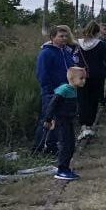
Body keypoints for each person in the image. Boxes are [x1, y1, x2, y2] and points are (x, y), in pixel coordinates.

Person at [34, 25, 80, 153]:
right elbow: (42, 74)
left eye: (66, 36)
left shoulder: (66, 52)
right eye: (61, 36)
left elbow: (71, 69)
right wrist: (49, 90)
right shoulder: (46, 53)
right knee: (47, 119)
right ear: (52, 37)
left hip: (65, 92)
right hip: (51, 92)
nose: (64, 39)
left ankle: (52, 147)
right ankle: (38, 148)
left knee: (59, 121)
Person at [46, 67, 87, 181]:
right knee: (65, 145)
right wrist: (48, 119)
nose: (84, 80)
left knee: (71, 145)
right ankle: (61, 170)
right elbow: (52, 105)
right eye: (81, 78)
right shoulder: (63, 90)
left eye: (84, 78)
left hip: (68, 121)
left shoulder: (73, 90)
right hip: (61, 122)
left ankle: (66, 168)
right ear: (72, 79)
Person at [76, 21, 106, 140]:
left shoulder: (78, 43)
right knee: (93, 100)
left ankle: (83, 125)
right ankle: (90, 125)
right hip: (97, 76)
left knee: (82, 100)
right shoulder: (100, 44)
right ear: (97, 32)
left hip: (81, 75)